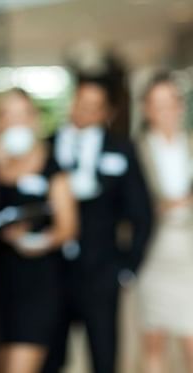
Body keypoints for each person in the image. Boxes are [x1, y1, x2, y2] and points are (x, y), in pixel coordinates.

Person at [42, 77, 153, 373]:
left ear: (107, 112)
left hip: (102, 271)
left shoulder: (121, 148)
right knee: (48, 356)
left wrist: (127, 268)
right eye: (80, 103)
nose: (84, 112)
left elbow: (142, 213)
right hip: (51, 272)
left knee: (104, 356)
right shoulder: (46, 146)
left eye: (94, 106)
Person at [0, 88, 77, 373]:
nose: (15, 122)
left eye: (22, 114)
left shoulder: (52, 167)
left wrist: (35, 240)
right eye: (7, 115)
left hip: (37, 285)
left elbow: (68, 228)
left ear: (35, 120)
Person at [135, 72, 193, 373]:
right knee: (154, 338)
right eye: (158, 104)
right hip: (153, 249)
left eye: (171, 103)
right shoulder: (137, 148)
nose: (166, 111)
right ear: (146, 108)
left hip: (189, 249)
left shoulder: (191, 143)